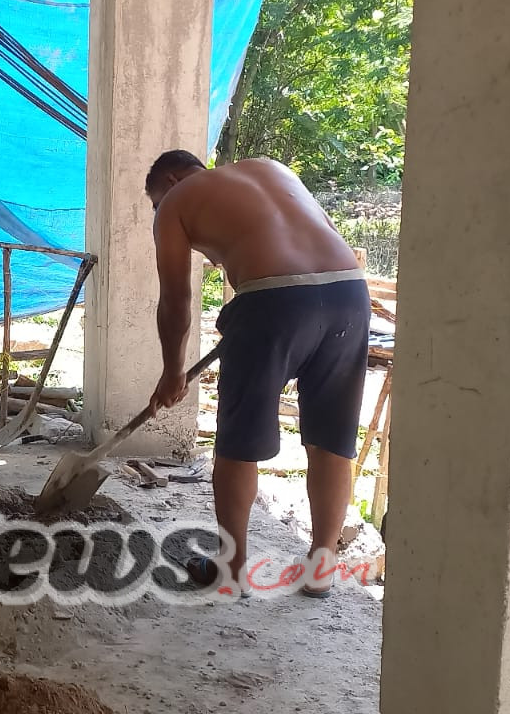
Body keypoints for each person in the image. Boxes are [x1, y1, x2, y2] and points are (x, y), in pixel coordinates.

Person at [144, 151, 369, 598]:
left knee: (237, 442)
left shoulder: (175, 202)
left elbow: (175, 302)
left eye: (154, 201)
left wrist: (173, 372)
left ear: (169, 180)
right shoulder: (272, 169)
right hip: (349, 292)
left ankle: (231, 568)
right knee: (330, 439)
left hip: (273, 302)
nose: (157, 210)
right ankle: (321, 567)